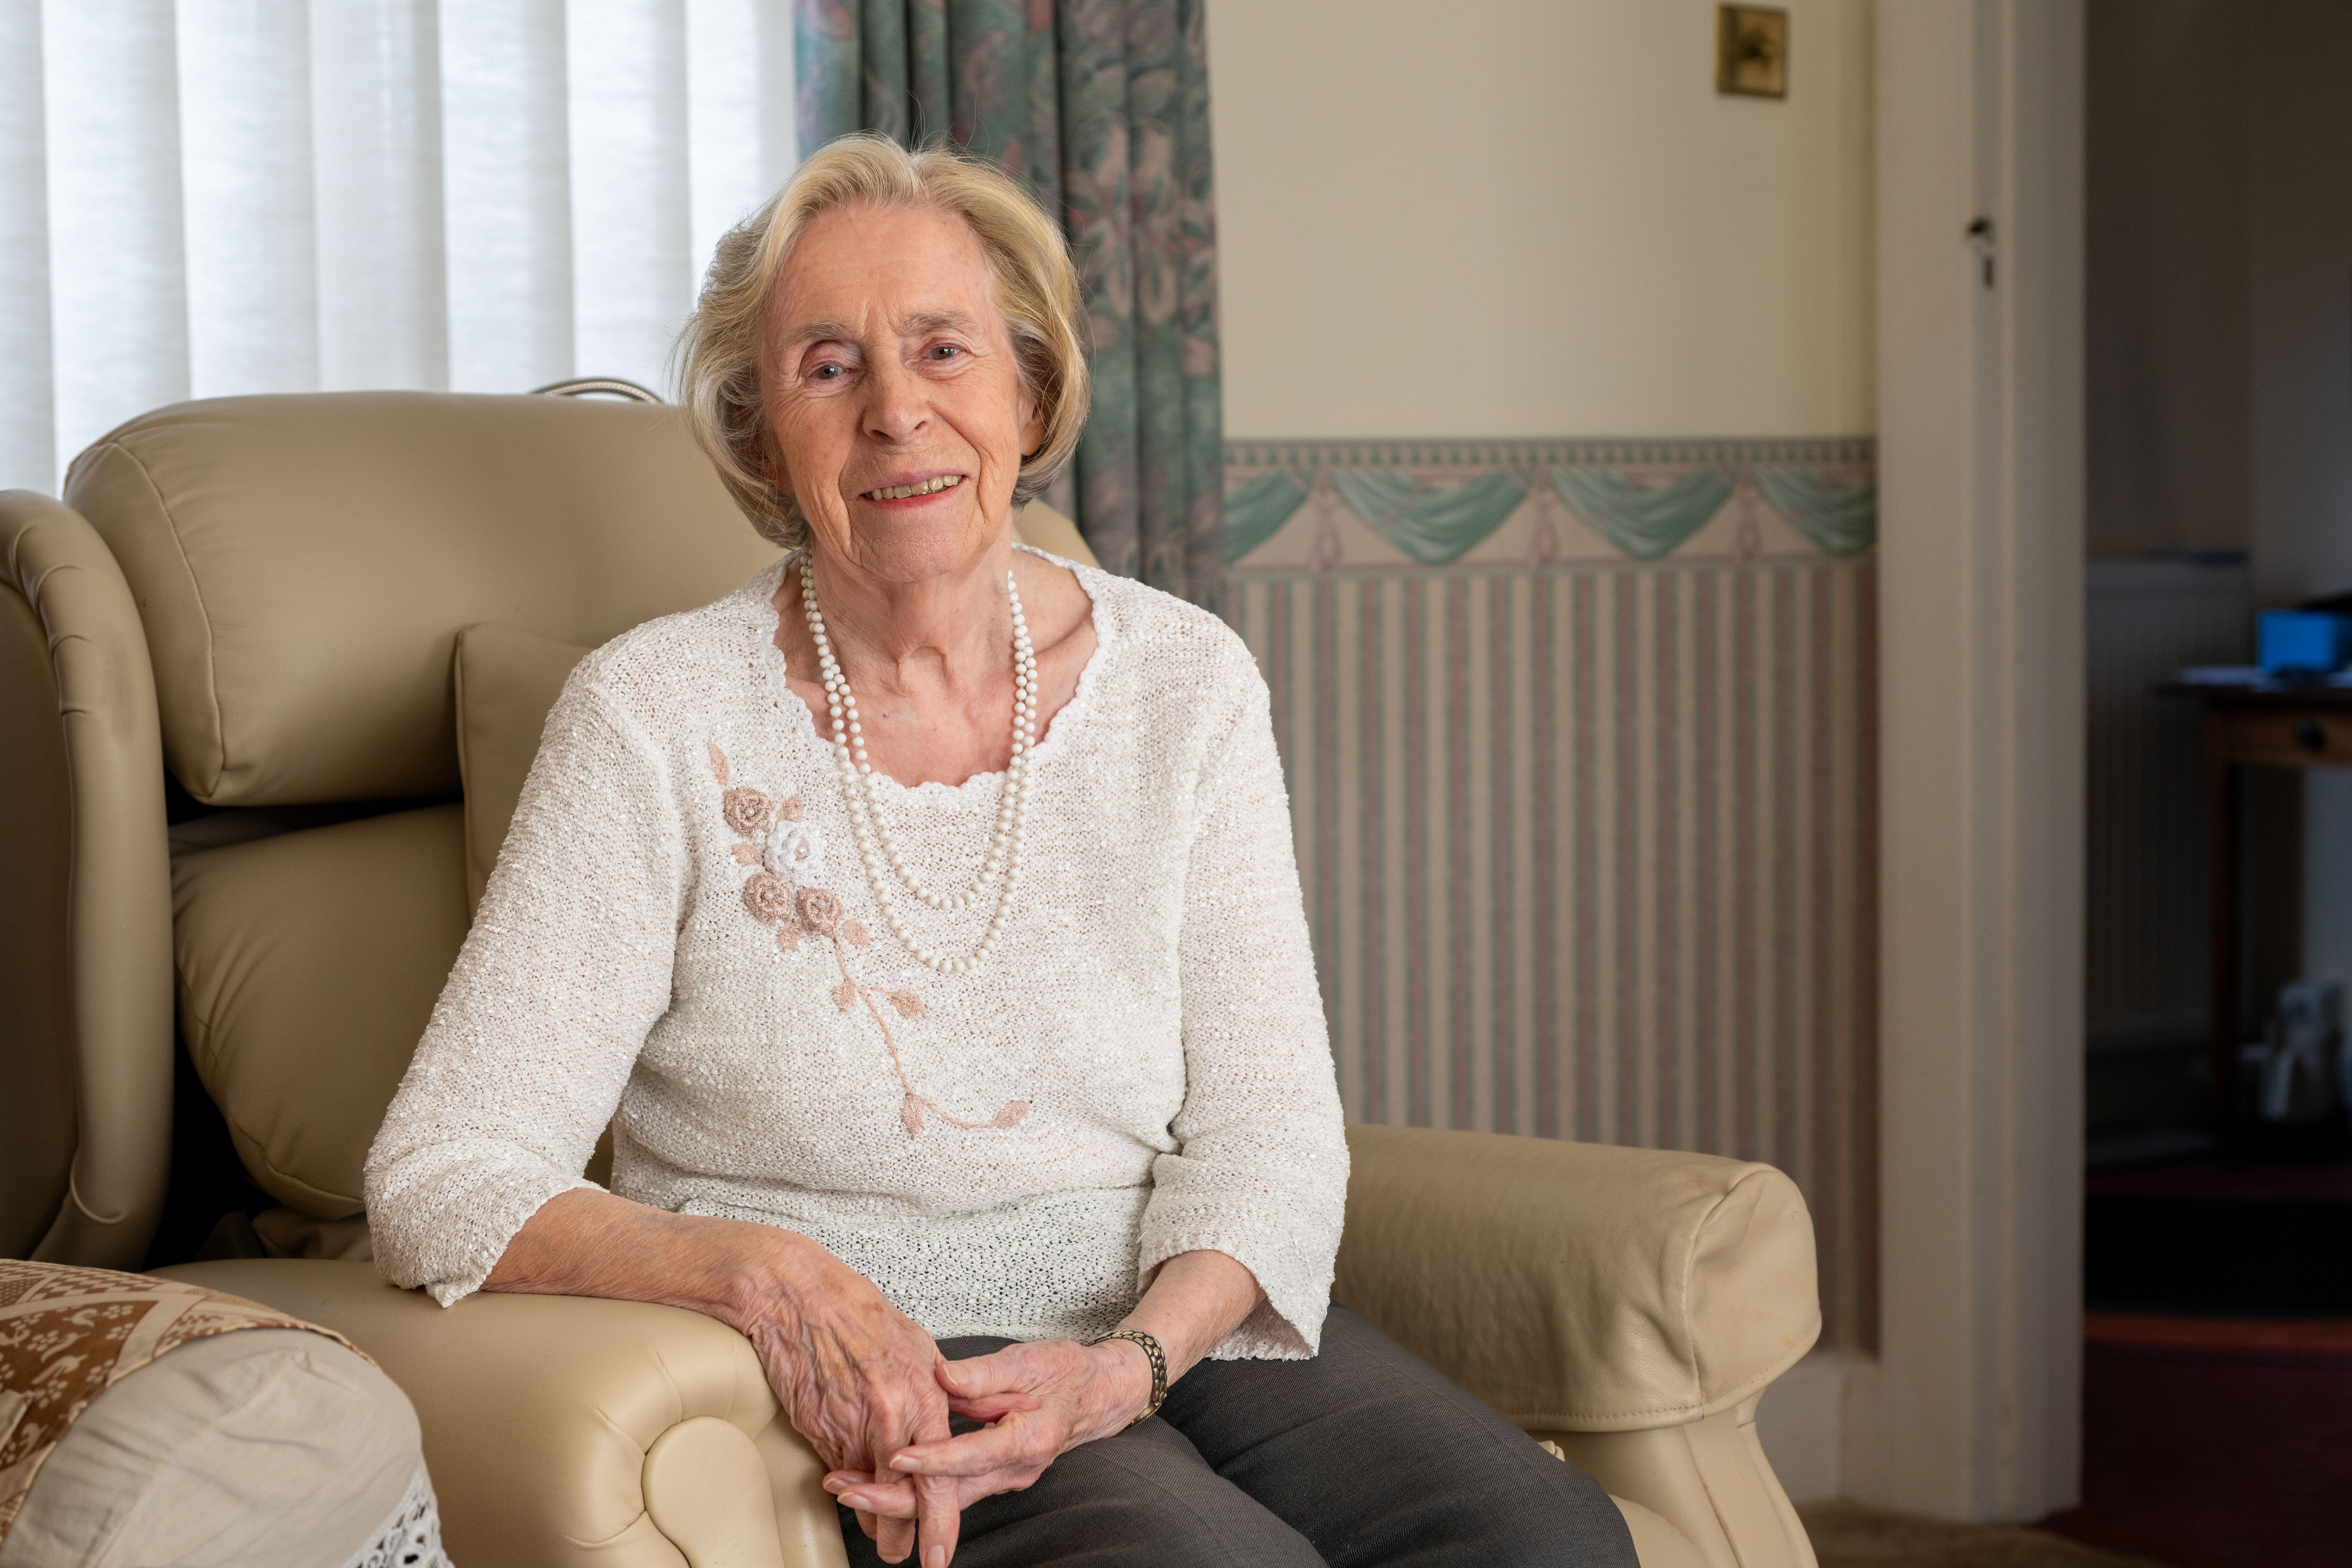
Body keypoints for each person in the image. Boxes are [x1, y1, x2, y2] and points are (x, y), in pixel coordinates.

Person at [364, 133, 1635, 1568]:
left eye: (944, 350)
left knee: (1549, 1539)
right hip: (880, 1359)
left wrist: (1128, 1369)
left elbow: (1271, 1132)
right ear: (759, 434)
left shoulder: (1186, 683)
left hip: (1162, 1326)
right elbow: (443, 1174)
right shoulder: (651, 714)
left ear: (1028, 391)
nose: (898, 413)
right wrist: (767, 1278)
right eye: (828, 367)